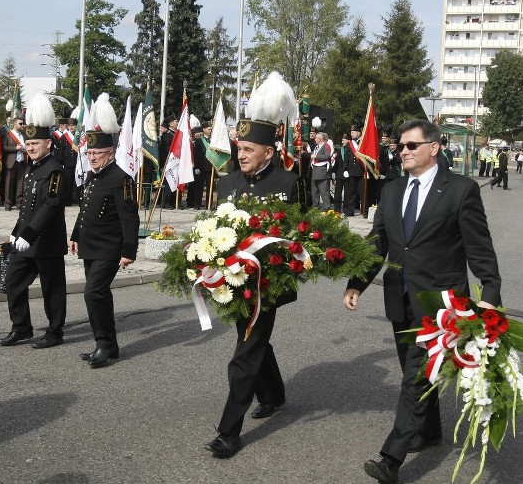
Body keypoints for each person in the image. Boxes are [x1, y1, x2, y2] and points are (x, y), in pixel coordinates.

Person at [341, 118, 502, 484]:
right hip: (399, 296)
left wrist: (490, 294)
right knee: (414, 372)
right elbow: (377, 242)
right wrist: (356, 284)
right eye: (400, 146)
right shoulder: (392, 190)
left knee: (415, 376)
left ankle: (391, 459)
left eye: (412, 145)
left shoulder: (461, 190)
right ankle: (428, 432)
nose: (404, 151)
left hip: (441, 305)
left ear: (434, 147)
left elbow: (480, 250)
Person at [204, 71, 305, 459]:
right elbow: (211, 228)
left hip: (270, 283)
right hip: (232, 280)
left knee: (244, 352)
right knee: (253, 339)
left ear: (267, 150)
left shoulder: (287, 181)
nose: (241, 155)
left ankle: (229, 431)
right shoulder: (227, 183)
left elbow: (301, 233)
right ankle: (275, 394)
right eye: (239, 148)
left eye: (248, 149)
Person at [69, 93, 139, 367]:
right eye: (89, 153)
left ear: (110, 152)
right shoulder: (92, 176)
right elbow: (85, 208)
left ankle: (103, 344)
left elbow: (129, 217)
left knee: (93, 293)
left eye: (97, 153)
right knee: (100, 295)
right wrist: (75, 235)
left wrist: (129, 250)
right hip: (90, 245)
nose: (93, 157)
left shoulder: (121, 178)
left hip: (110, 247)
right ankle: (108, 345)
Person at [0, 92, 68, 349]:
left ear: (48, 144)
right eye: (28, 144)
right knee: (13, 283)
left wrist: (28, 234)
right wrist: (16, 233)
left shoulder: (56, 171)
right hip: (26, 240)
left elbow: (49, 207)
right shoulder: (30, 169)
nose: (30, 148)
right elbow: (26, 208)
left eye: (35, 144)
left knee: (53, 290)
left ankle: (54, 332)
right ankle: (22, 327)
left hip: (47, 241)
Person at [2, 117, 26, 211]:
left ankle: (19, 202)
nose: (22, 125)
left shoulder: (24, 135)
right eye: (20, 124)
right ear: (15, 124)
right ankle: (8, 203)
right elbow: (4, 147)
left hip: (21, 162)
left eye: (22, 123)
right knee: (9, 184)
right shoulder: (9, 134)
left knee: (20, 184)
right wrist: (15, 148)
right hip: (11, 161)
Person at [310, 132, 332, 209]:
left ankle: (326, 207)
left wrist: (316, 156)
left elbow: (327, 155)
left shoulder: (326, 146)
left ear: (319, 139)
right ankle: (315, 206)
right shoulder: (317, 147)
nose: (315, 139)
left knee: (324, 191)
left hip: (322, 171)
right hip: (315, 170)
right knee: (314, 191)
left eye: (316, 138)